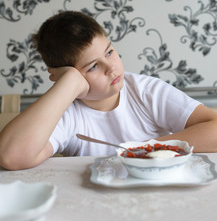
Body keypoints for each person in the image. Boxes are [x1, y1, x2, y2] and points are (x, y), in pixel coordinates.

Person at [0, 11, 217, 171]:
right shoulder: (68, 113)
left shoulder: (145, 91)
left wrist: (145, 149)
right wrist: (67, 85)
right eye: (93, 66)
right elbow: (11, 157)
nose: (111, 67)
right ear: (63, 75)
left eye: (110, 52)